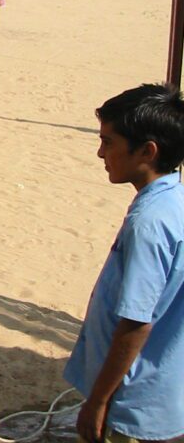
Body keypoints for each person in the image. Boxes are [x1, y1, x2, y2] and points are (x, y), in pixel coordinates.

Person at [64, 83, 184, 443]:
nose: (100, 152)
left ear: (147, 151)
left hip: (130, 405)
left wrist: (98, 401)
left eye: (109, 142)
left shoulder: (148, 223)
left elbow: (136, 323)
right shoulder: (173, 202)